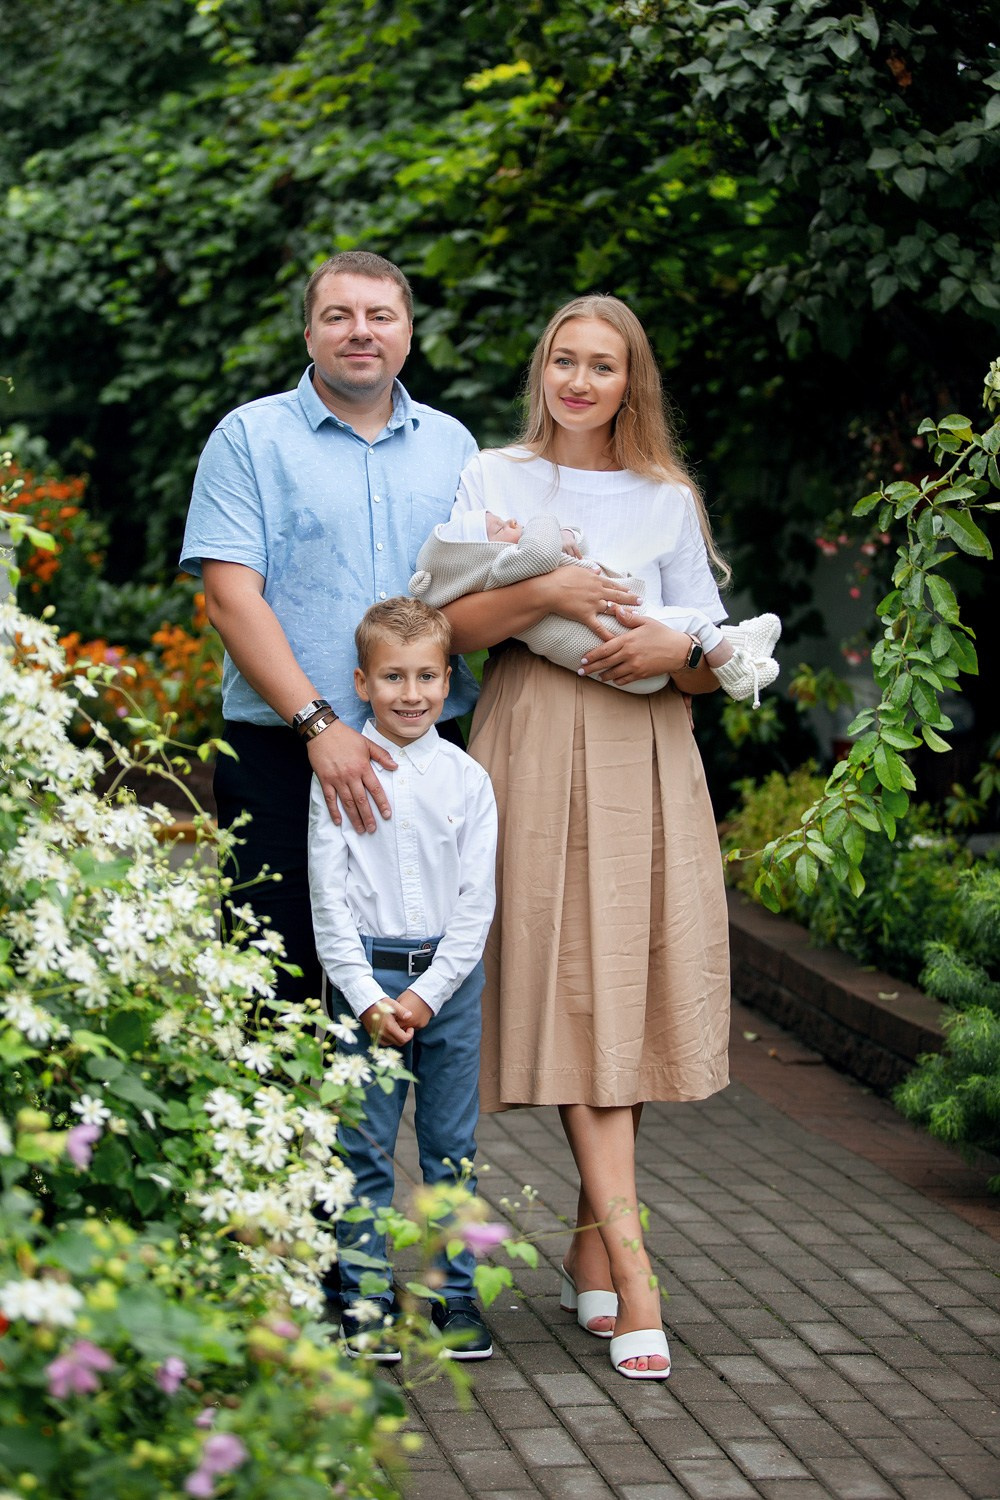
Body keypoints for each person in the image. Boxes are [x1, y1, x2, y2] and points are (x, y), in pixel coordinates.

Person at [440, 294, 733, 1381]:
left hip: (645, 746)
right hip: (528, 733)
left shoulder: (667, 498)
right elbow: (449, 625)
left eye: (601, 366)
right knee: (575, 979)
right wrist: (548, 591)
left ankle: (589, 1244)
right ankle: (634, 1269)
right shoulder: (494, 475)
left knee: (629, 978)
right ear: (542, 371)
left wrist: (675, 651)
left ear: (629, 382)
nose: (577, 381)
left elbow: (711, 658)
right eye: (563, 360)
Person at [179, 251, 478, 1010]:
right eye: (338, 316)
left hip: (422, 759)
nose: (361, 332)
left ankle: (387, 1099)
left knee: (414, 988)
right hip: (280, 756)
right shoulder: (248, 439)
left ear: (408, 333)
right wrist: (318, 724)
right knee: (272, 988)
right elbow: (230, 600)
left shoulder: (455, 448)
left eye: (381, 316)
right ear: (309, 334)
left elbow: (481, 591)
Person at [308, 597, 497, 1363]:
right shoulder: (337, 776)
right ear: (363, 682)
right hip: (367, 982)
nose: (411, 694)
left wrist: (426, 995)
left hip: (450, 987)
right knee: (363, 1146)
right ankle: (364, 1293)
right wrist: (368, 999)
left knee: (451, 1147)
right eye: (393, 677)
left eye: (426, 676)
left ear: (449, 680)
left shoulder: (469, 780)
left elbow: (476, 905)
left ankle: (455, 1294)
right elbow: (328, 901)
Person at [411, 508, 781, 703]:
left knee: (688, 628)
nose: (511, 520)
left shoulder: (671, 495)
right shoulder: (504, 564)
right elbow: (541, 552)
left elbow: (574, 549)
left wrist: (684, 654)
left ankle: (739, 647)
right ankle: (738, 673)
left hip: (642, 672)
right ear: (483, 549)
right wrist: (546, 522)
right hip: (608, 655)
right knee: (696, 621)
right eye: (498, 527)